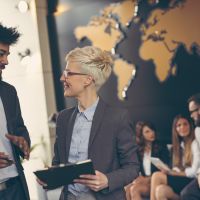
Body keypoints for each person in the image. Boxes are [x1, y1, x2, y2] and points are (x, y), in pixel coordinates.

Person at [42, 46, 139, 200]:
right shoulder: (63, 118)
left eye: (68, 73)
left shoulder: (118, 118)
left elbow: (132, 167)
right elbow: (58, 163)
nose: (62, 78)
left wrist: (107, 180)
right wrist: (50, 176)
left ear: (88, 79)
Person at [0, 23, 30, 199]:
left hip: (15, 189)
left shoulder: (9, 92)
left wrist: (23, 142)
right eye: (1, 54)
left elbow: (20, 129)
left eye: (6, 55)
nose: (6, 61)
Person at [150, 114, 200, 200]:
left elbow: (194, 172)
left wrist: (173, 173)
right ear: (175, 129)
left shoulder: (195, 143)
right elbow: (177, 168)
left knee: (156, 176)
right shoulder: (179, 146)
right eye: (178, 125)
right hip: (181, 182)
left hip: (192, 181)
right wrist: (169, 170)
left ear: (190, 126)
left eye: (185, 124)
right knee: (160, 190)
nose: (182, 127)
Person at [125, 121, 169, 200]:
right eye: (147, 132)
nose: (152, 133)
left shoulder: (161, 147)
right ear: (141, 135)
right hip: (145, 182)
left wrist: (146, 179)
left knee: (134, 189)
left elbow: (166, 168)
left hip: (156, 182)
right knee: (127, 188)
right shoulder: (139, 151)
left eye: (152, 130)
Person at [180, 93, 200, 200]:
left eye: (193, 111)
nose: (191, 115)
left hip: (191, 175)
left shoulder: (194, 140)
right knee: (186, 193)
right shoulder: (198, 130)